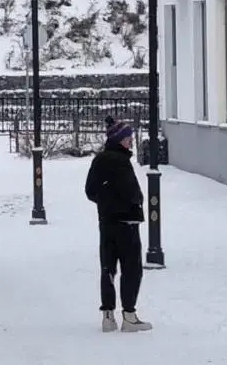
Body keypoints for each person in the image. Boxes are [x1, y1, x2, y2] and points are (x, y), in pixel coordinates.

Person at [84, 118, 150, 333]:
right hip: (126, 222)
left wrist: (105, 203)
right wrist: (136, 200)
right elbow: (132, 193)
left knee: (108, 268)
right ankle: (129, 316)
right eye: (128, 138)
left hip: (106, 221)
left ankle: (108, 316)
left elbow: (90, 191)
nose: (131, 141)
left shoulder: (99, 160)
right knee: (132, 268)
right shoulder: (121, 162)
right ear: (119, 140)